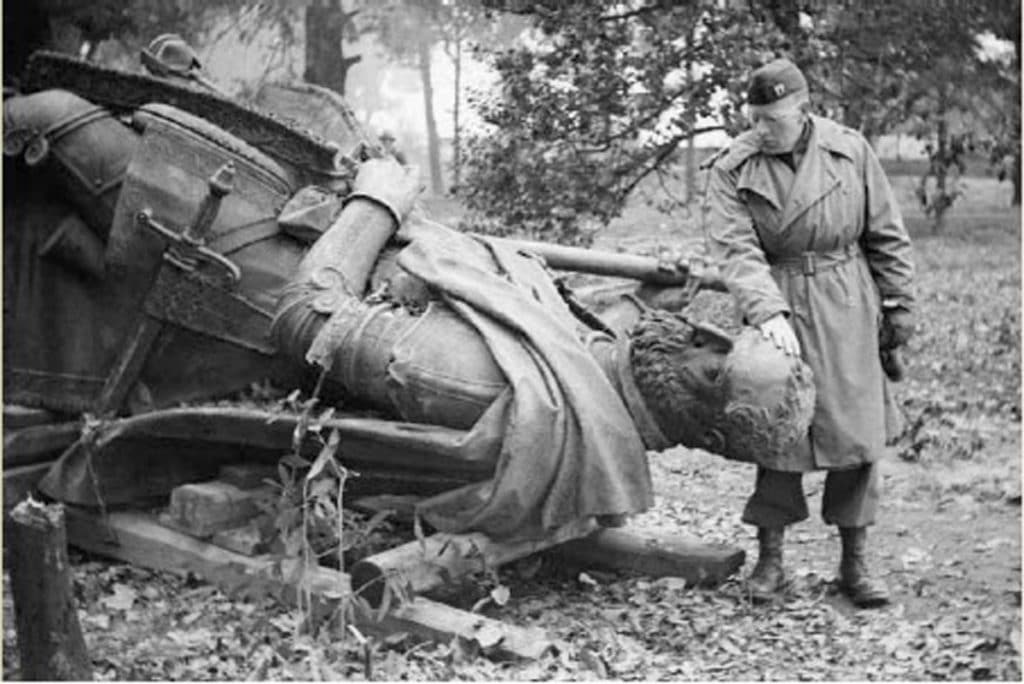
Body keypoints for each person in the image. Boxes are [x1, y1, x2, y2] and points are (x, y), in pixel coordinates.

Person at [272, 156, 816, 540]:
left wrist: (377, 201)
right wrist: (644, 302)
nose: (708, 331)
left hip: (282, 267)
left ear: (709, 433)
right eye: (732, 333)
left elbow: (305, 319)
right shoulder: (600, 395)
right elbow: (571, 347)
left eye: (716, 368)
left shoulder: (481, 379)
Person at [704, 58, 915, 607]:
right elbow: (734, 248)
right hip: (781, 307)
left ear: (802, 110)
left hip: (847, 300)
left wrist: (897, 304)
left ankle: (855, 564)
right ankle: (771, 561)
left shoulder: (850, 150)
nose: (763, 129)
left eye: (773, 119)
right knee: (777, 432)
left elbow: (886, 234)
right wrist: (766, 312)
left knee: (857, 435)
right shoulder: (734, 167)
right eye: (755, 119)